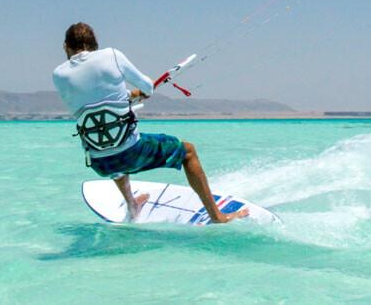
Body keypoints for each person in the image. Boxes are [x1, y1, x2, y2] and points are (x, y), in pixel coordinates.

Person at [52, 22, 246, 224]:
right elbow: (147, 87)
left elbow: (94, 102)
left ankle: (132, 204)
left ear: (66, 46)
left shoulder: (59, 75)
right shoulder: (112, 56)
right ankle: (218, 217)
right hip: (131, 153)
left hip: (100, 163)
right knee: (188, 151)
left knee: (111, 148)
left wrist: (131, 96)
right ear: (95, 44)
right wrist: (142, 92)